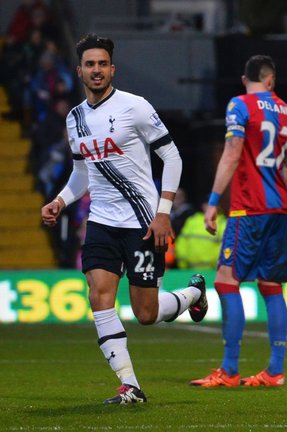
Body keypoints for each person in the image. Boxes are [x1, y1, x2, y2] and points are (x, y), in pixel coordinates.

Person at [40, 33, 208, 405]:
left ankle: (195, 292)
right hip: (101, 222)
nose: (96, 70)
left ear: (112, 69)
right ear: (80, 70)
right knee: (99, 296)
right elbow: (83, 174)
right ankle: (130, 385)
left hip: (143, 222)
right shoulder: (75, 118)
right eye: (90, 64)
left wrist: (164, 214)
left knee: (146, 313)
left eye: (102, 64)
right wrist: (60, 201)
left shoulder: (136, 107)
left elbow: (173, 157)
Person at [190, 54, 287, 388]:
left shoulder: (240, 104)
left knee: (226, 281)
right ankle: (275, 370)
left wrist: (211, 202)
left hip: (248, 209)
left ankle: (230, 369)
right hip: (280, 208)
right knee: (271, 286)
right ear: (271, 79)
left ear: (245, 79)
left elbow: (233, 152)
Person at [174, 203, 226, 269]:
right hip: (189, 270)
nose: (208, 206)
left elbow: (226, 248)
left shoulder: (223, 222)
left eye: (212, 203)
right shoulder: (192, 220)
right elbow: (182, 242)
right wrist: (182, 265)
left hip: (213, 271)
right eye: (206, 203)